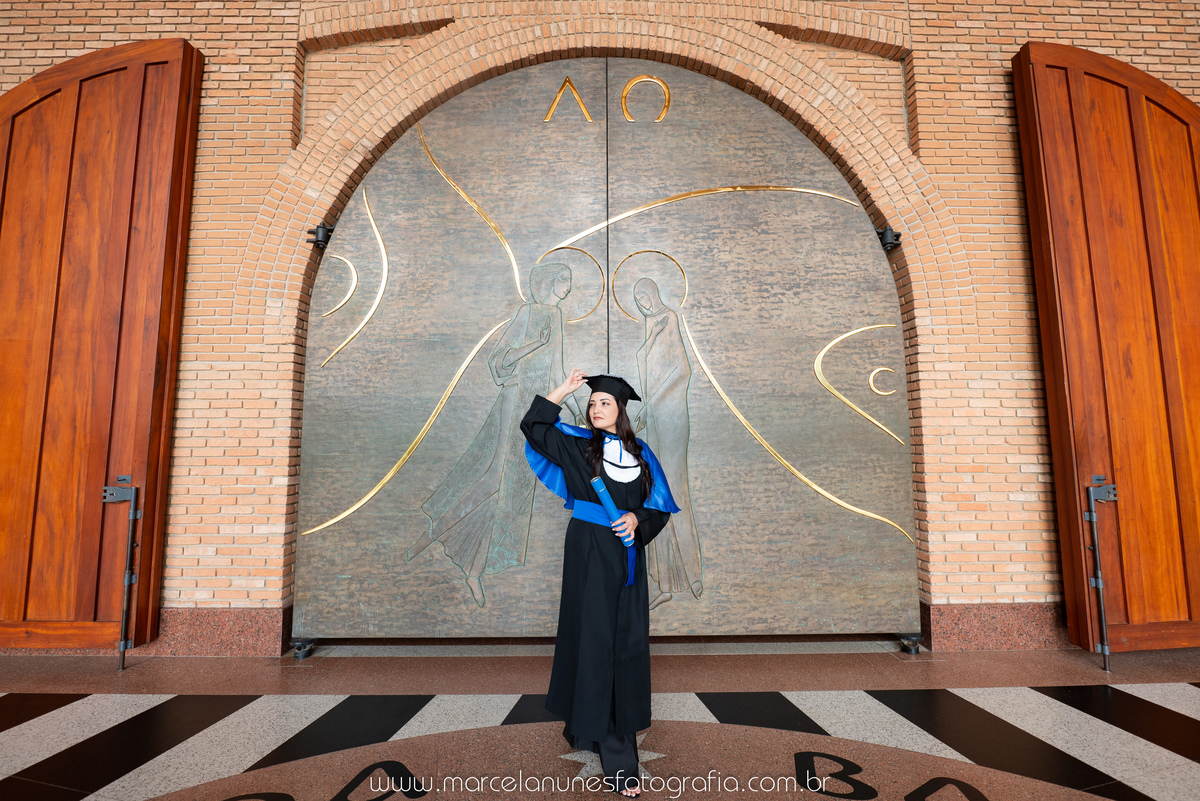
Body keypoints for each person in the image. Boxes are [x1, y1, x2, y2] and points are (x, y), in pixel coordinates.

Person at [522, 370, 680, 797]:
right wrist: (563, 391)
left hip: (627, 554)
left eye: (604, 403)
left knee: (625, 643)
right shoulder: (576, 446)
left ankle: (592, 729)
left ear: (620, 411)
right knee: (595, 639)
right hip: (589, 553)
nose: (596, 409)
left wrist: (636, 519)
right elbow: (533, 427)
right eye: (592, 403)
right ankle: (619, 759)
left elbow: (659, 509)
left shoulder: (642, 455)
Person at [409, 263, 584, 606]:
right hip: (516, 398)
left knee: (510, 493)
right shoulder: (527, 312)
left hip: (540, 408)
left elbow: (560, 368)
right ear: (550, 280)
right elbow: (498, 362)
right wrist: (534, 343)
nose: (569, 286)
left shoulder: (557, 316)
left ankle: (473, 569)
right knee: (494, 479)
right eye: (565, 279)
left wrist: (578, 411)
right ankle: (427, 538)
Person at [632, 277, 703, 609]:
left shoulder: (669, 319)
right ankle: (665, 581)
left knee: (675, 488)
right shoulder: (648, 326)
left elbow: (681, 369)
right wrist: (645, 407)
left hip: (672, 416)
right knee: (653, 491)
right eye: (637, 300)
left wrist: (651, 402)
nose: (644, 303)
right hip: (654, 418)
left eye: (645, 296)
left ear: (655, 292)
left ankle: (692, 573)